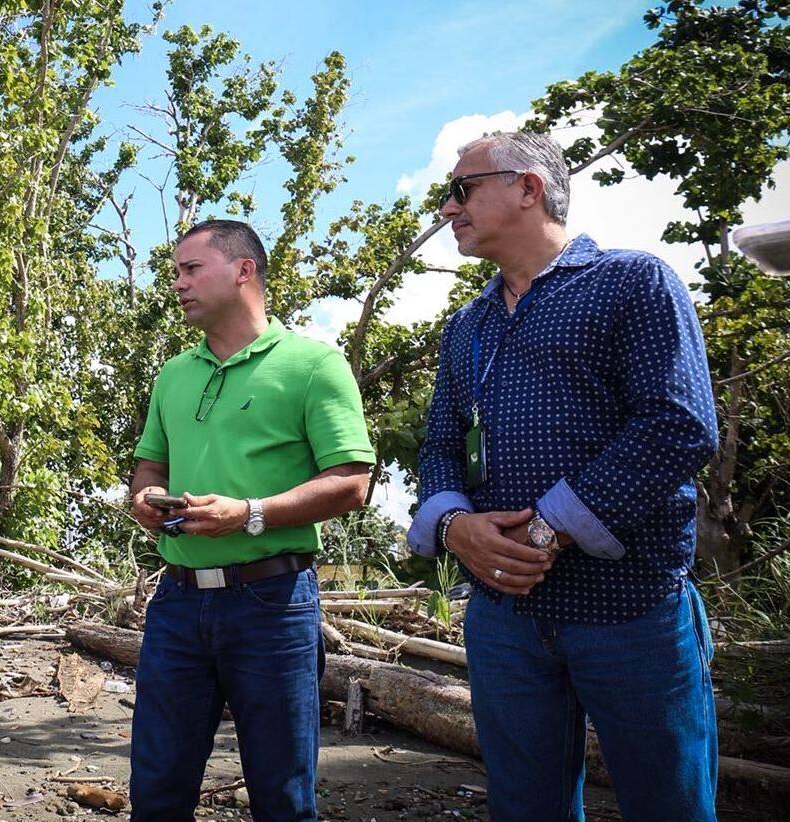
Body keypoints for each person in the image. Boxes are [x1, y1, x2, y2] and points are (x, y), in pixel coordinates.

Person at [409, 131, 719, 821]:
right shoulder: (466, 326)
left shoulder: (632, 281)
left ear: (529, 187)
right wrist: (454, 527)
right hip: (503, 618)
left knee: (668, 807)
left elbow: (679, 422)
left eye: (461, 189)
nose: (448, 207)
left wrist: (548, 529)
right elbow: (440, 446)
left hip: (630, 607)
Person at [128, 219, 375, 821]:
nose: (178, 284)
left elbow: (352, 482)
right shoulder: (173, 374)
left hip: (274, 603)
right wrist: (147, 498)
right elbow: (149, 469)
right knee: (156, 791)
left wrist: (248, 515)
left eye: (191, 269)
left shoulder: (314, 364)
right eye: (176, 272)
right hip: (177, 603)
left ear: (244, 271)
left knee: (282, 796)